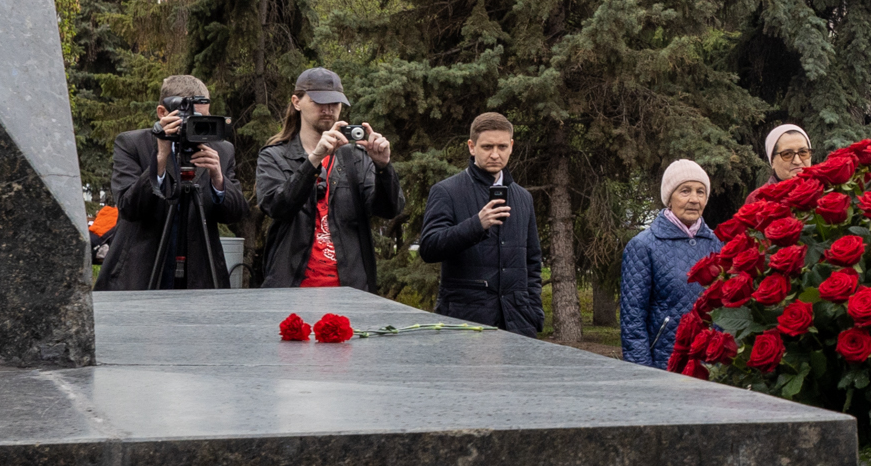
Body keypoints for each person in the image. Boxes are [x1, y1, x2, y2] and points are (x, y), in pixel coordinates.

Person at [253, 67, 401, 291]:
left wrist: (383, 167)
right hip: (291, 288)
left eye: (335, 103)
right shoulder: (274, 156)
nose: (329, 109)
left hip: (349, 290)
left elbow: (388, 209)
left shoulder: (355, 159)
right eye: (319, 102)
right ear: (296, 102)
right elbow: (277, 206)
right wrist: (314, 160)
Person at [96, 75, 248, 290]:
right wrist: (160, 157)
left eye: (203, 119)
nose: (197, 127)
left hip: (198, 272)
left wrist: (218, 179)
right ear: (162, 113)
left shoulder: (221, 150)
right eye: (192, 119)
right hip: (143, 270)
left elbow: (236, 214)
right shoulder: (132, 144)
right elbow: (129, 209)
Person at [418, 112, 544, 335]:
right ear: (471, 146)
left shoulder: (523, 198)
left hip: (518, 322)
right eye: (487, 147)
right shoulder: (447, 191)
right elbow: (429, 248)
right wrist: (477, 224)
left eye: (502, 147)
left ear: (511, 146)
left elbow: (532, 262)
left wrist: (534, 313)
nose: (495, 154)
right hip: (466, 320)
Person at [620, 160, 715, 369]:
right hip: (665, 363)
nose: (694, 199)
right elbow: (632, 320)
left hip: (712, 364)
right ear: (669, 198)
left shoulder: (718, 244)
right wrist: (641, 372)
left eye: (700, 192)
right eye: (685, 191)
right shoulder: (643, 246)